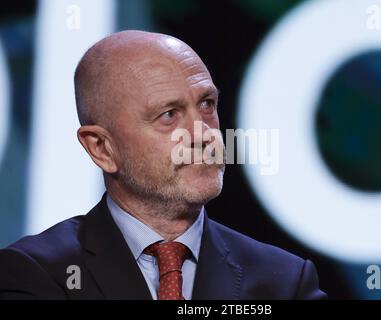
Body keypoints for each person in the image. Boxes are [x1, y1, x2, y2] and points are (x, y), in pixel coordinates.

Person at [0, 30, 327, 300]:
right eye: (168, 115)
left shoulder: (285, 282)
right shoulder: (38, 275)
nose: (204, 135)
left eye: (207, 104)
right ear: (101, 148)